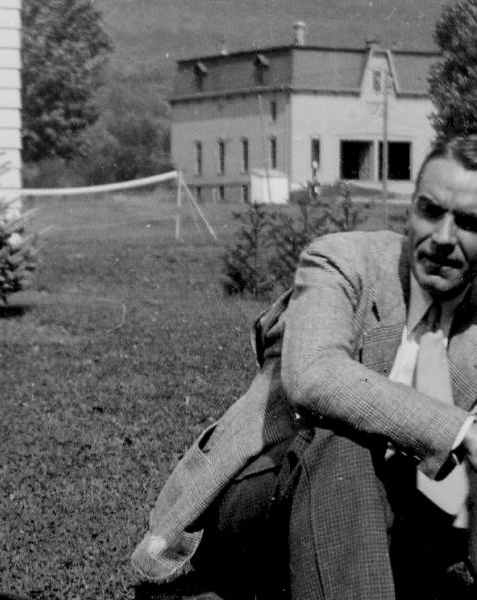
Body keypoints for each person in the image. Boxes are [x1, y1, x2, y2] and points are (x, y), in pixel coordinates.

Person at [132, 134, 477, 599]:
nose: (442, 239)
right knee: (343, 442)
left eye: (469, 222)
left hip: (393, 522)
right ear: (409, 209)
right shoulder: (342, 261)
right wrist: (459, 432)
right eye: (430, 211)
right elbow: (313, 376)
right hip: (265, 498)